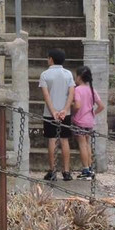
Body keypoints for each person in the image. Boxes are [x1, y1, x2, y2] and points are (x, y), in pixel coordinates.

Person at [39, 48, 74, 181]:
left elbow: (46, 95)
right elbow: (71, 93)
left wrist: (53, 110)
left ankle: (52, 170)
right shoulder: (68, 74)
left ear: (51, 59)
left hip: (50, 113)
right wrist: (65, 109)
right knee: (65, 140)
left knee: (52, 140)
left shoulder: (45, 75)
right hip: (66, 113)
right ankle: (66, 171)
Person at [71, 65, 105, 180]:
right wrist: (93, 113)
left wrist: (73, 111)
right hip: (89, 121)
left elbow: (78, 105)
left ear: (79, 77)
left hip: (79, 120)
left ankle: (85, 170)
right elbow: (101, 106)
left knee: (82, 145)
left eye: (76, 76)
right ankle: (90, 168)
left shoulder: (77, 90)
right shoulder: (92, 89)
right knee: (87, 144)